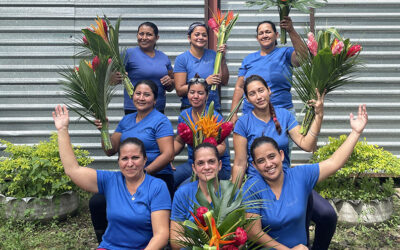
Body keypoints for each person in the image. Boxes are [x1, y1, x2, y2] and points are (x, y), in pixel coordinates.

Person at [233, 75, 337, 249]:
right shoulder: (243, 123)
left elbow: (307, 144)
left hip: (287, 181)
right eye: (252, 93)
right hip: (260, 186)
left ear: (269, 91)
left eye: (261, 90)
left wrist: (318, 116)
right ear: (247, 99)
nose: (258, 96)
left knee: (327, 215)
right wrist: (233, 197)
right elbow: (239, 163)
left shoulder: (284, 115)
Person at [244, 104, 368, 249]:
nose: (268, 164)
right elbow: (253, 232)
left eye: (272, 156)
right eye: (261, 161)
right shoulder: (252, 187)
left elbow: (334, 162)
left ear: (282, 155)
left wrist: (355, 132)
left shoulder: (300, 175)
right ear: (254, 166)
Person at [52, 105, 171, 249]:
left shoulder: (157, 187)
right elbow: (73, 170)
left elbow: (162, 235)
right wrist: (62, 130)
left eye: (135, 157)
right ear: (118, 161)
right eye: (124, 158)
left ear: (145, 160)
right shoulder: (110, 180)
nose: (130, 163)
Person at [90, 79, 174, 243]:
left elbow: (168, 154)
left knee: (140, 209)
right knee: (97, 202)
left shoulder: (161, 121)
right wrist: (104, 131)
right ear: (132, 96)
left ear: (155, 100)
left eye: (147, 94)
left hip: (156, 176)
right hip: (129, 176)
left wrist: (143, 174)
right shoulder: (126, 120)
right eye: (138, 93)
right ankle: (105, 241)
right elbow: (109, 150)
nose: (141, 98)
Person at [230, 17, 307, 122]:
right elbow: (239, 87)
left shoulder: (285, 53)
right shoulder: (248, 59)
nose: (264, 35)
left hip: (281, 114)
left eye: (268, 32)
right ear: (257, 38)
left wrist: (291, 30)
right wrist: (233, 113)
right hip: (252, 115)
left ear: (276, 35)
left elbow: (303, 57)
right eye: (261, 33)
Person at [174, 76, 231, 190]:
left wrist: (206, 155)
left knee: (183, 189)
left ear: (207, 96)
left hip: (215, 167)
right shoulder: (184, 115)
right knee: (169, 178)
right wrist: (168, 158)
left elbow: (222, 147)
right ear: (187, 94)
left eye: (200, 93)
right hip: (193, 163)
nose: (195, 96)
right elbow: (179, 140)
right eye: (192, 92)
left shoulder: (215, 117)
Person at [113, 21, 174, 114]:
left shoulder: (163, 57)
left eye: (149, 34)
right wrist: (115, 77)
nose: (144, 38)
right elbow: (111, 80)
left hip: (158, 109)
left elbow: (171, 85)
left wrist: (170, 82)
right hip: (135, 109)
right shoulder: (128, 54)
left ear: (157, 38)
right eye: (141, 34)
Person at [170, 143, 222, 250]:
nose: (206, 167)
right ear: (194, 168)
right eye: (200, 163)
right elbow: (175, 240)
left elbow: (238, 238)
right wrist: (205, 245)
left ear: (220, 165)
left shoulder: (231, 193)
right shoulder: (183, 194)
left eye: (211, 161)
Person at [174, 22, 229, 112]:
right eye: (197, 34)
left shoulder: (214, 55)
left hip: (213, 108)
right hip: (190, 109)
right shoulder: (182, 59)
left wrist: (222, 58)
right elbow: (179, 90)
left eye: (204, 35)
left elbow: (224, 81)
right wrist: (205, 82)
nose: (200, 37)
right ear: (189, 38)